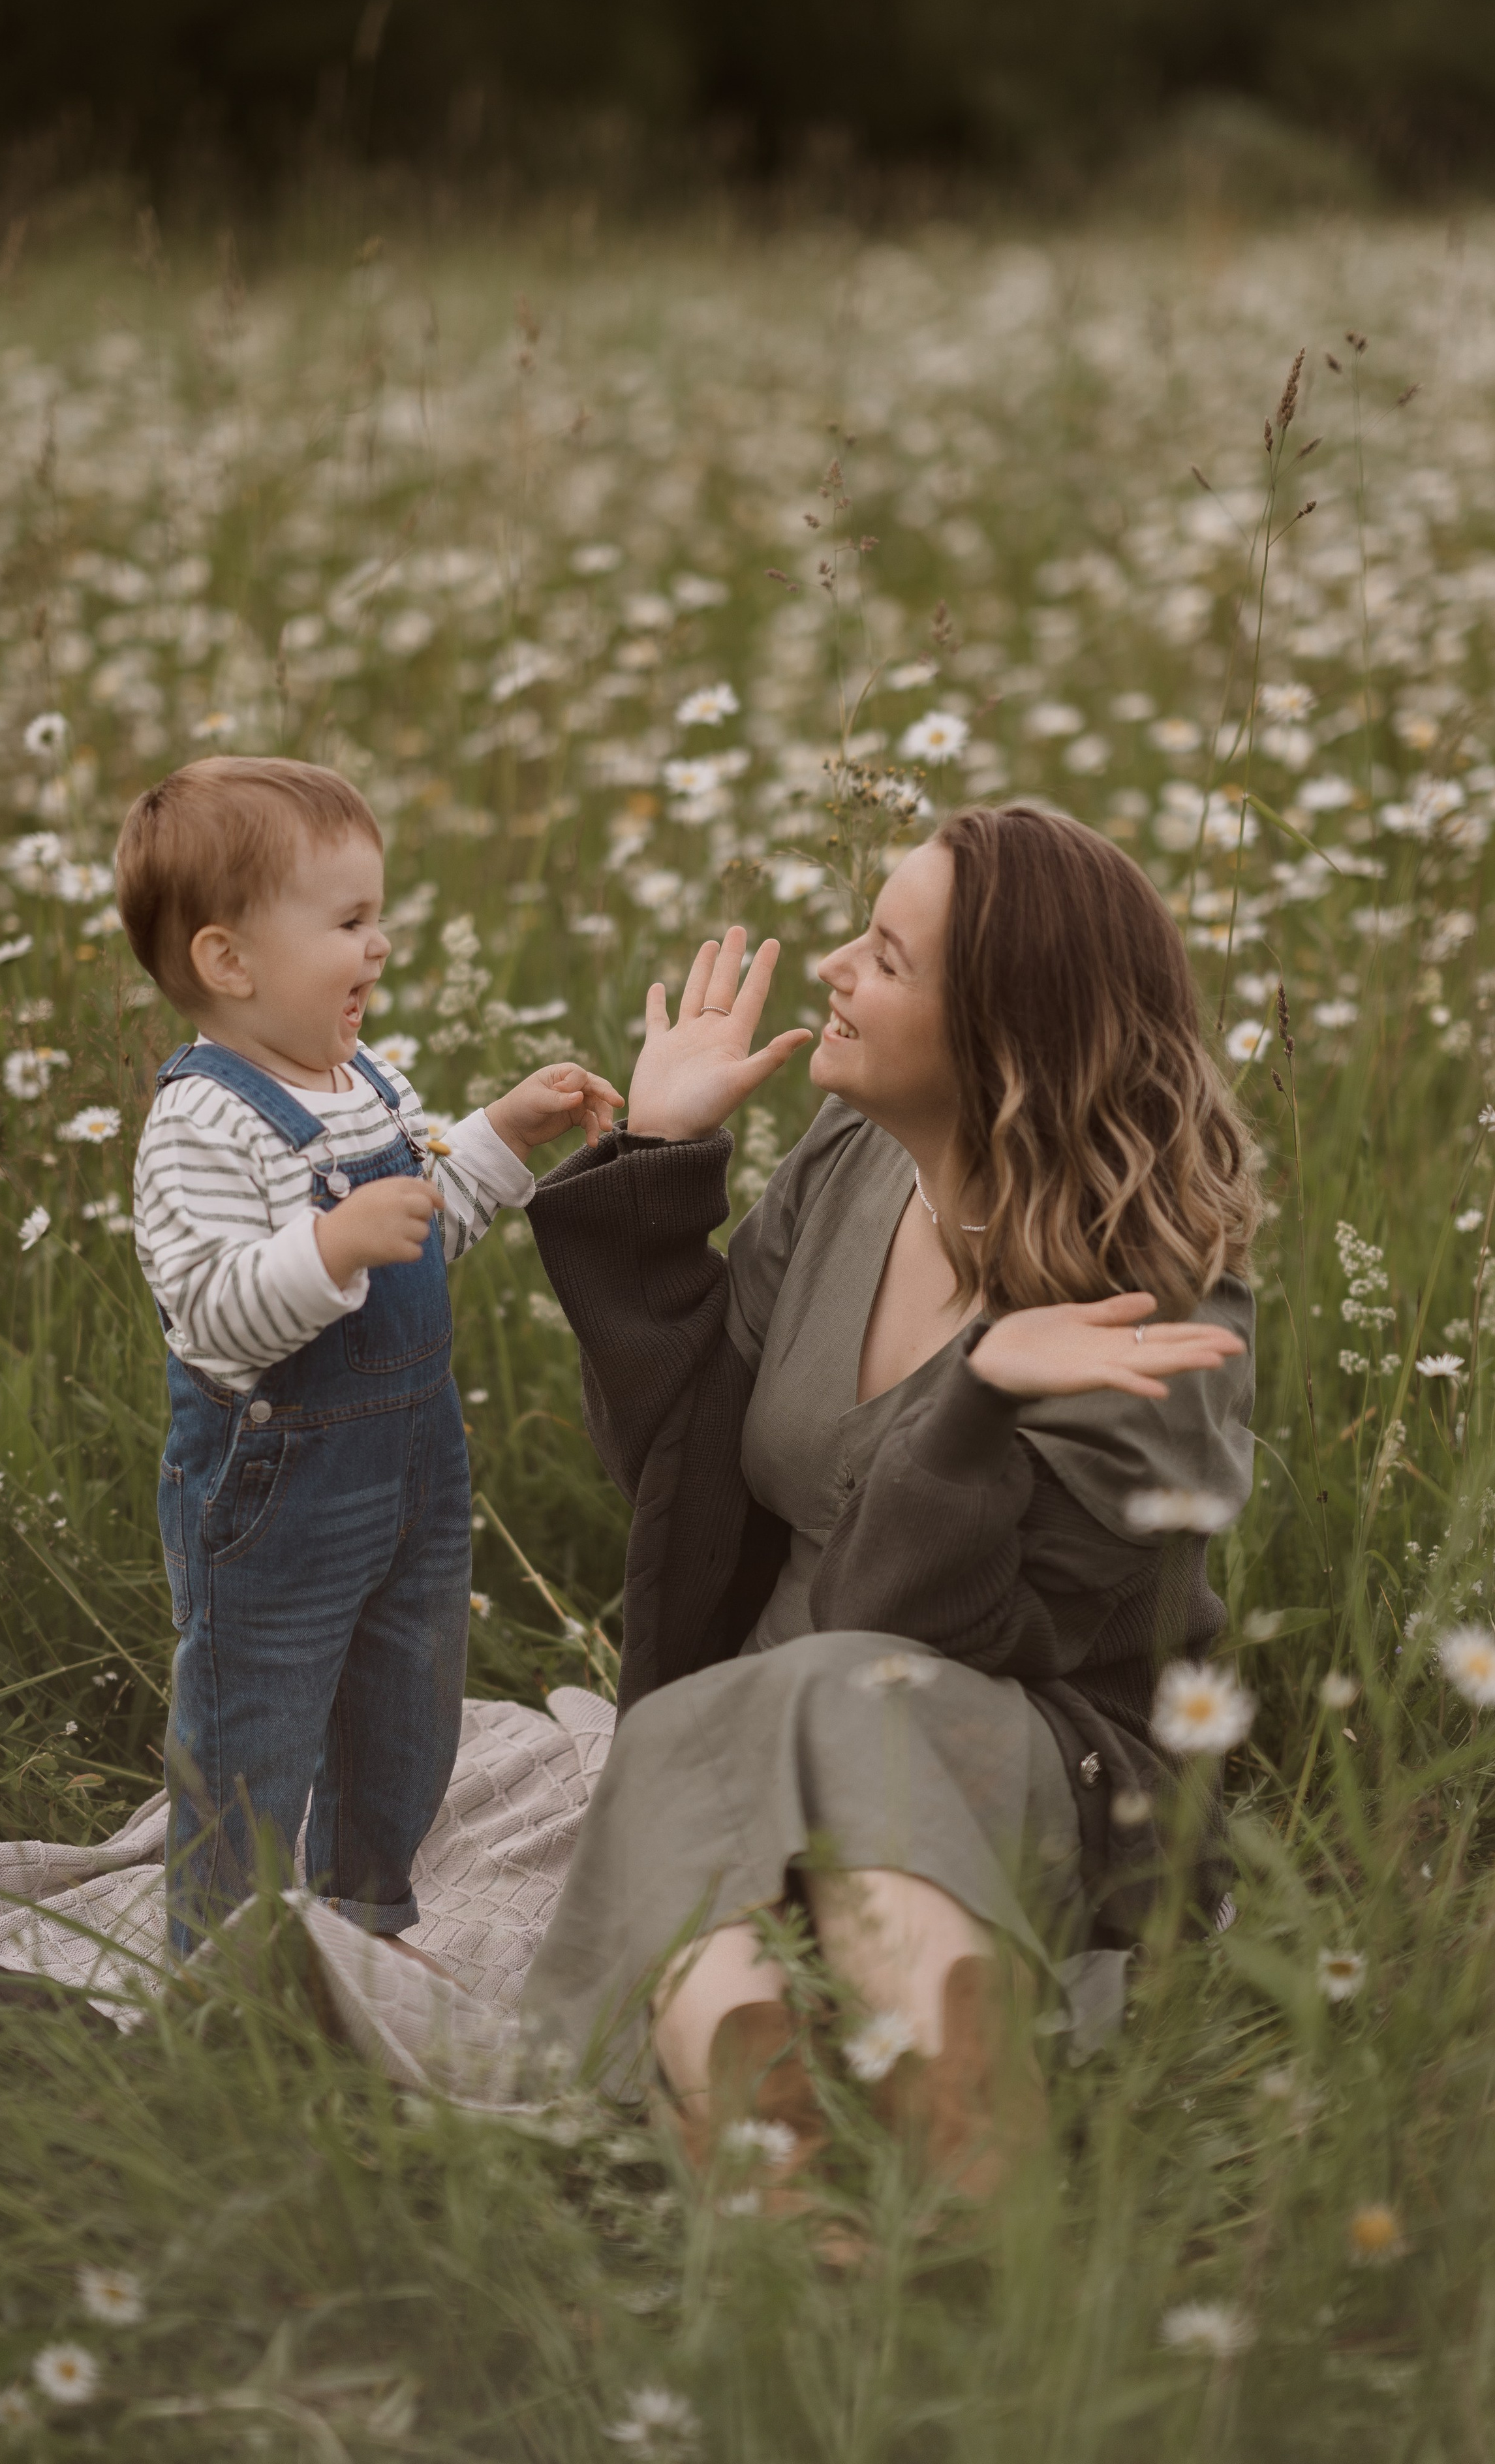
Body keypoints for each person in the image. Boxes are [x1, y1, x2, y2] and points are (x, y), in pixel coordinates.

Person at [520, 803, 1257, 2202]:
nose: (833, 972)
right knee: (714, 1714)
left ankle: (953, 2138)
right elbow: (683, 1478)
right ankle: (780, 2196)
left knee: (817, 1692)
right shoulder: (852, 1165)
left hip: (1034, 1771)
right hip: (769, 1720)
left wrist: (972, 1399)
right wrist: (659, 1173)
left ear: (1000, 1038)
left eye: (885, 955)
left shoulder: (1154, 1309)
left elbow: (912, 1629)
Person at [115, 756, 621, 1957]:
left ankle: (363, 1920)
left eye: (376, 915)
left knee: (407, 1705)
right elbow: (213, 1316)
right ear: (229, 961)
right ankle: (223, 1961)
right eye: (348, 923)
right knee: (257, 1729)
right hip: (273, 1497)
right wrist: (330, 1245)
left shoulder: (371, 1083)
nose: (379, 947)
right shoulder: (202, 1123)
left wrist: (499, 1133)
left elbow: (423, 1222)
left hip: (413, 1473)